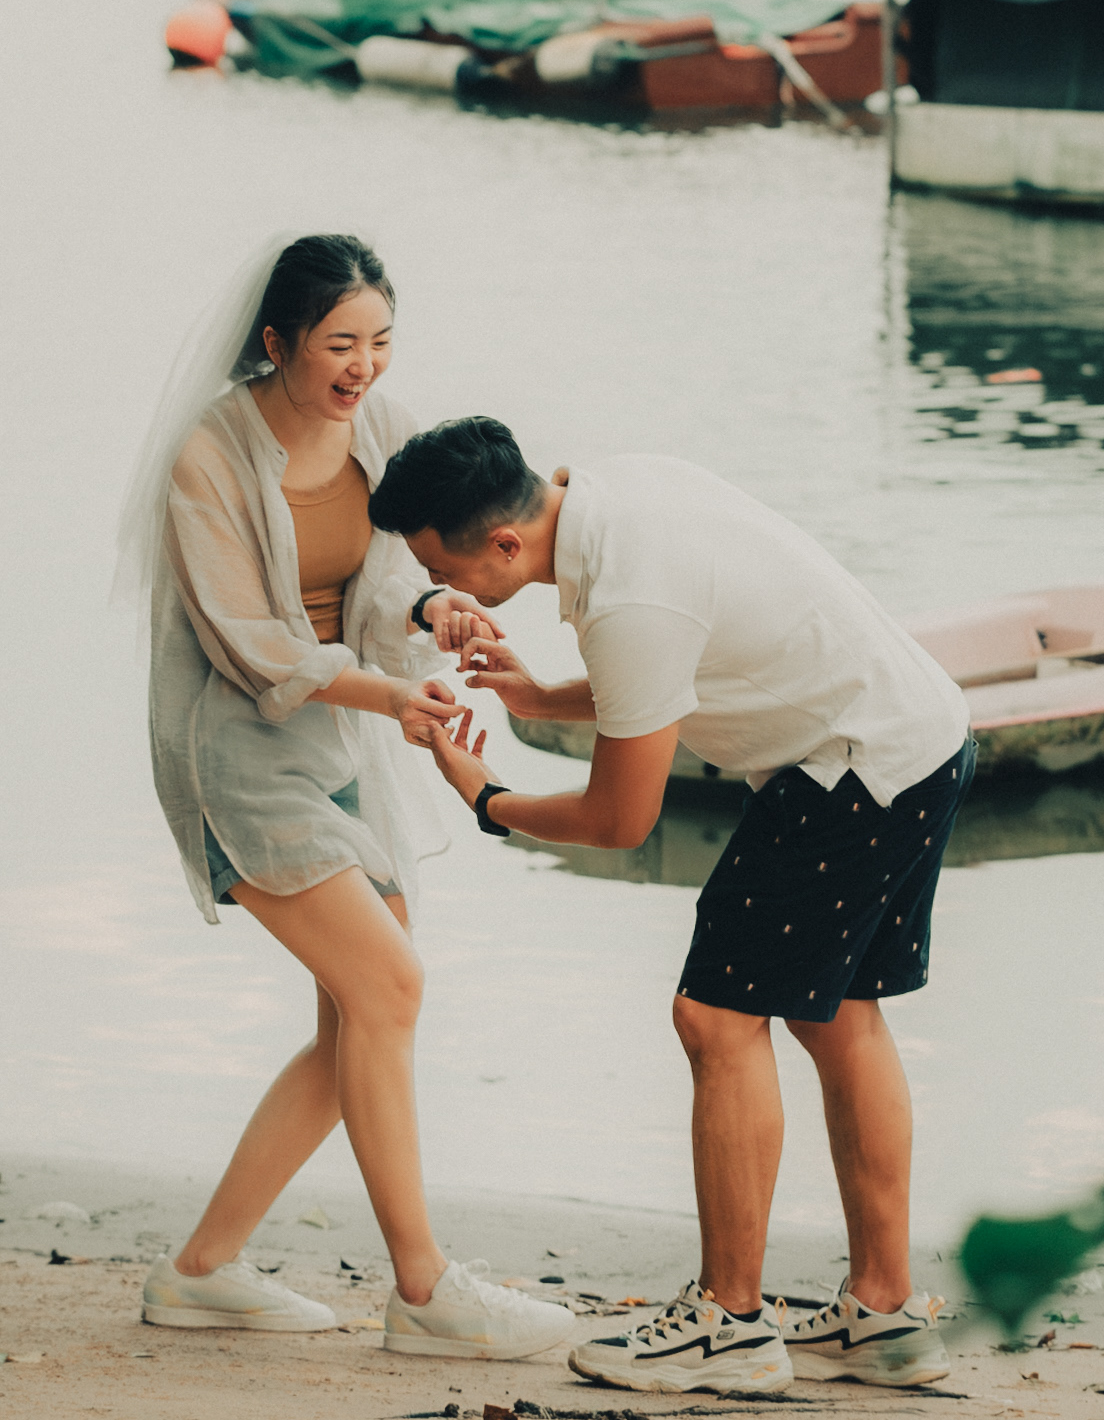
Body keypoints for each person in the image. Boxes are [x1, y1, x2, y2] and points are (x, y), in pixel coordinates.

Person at [367, 416, 976, 1395]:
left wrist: (487, 798)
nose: (446, 589)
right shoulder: (616, 491)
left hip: (851, 767)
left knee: (715, 1016)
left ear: (506, 544)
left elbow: (618, 819)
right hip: (920, 737)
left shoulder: (626, 597)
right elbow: (678, 665)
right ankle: (884, 1317)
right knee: (840, 1017)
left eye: (444, 570)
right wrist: (543, 699)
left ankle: (728, 1325)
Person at [116, 242, 573, 1360]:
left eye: (380, 342)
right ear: (277, 343)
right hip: (236, 749)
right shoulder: (208, 459)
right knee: (391, 985)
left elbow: (390, 579)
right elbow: (252, 646)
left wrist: (435, 615)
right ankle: (424, 1290)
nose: (363, 367)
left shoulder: (379, 430)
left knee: (356, 1021)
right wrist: (393, 694)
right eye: (339, 345)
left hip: (343, 740)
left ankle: (200, 1271)